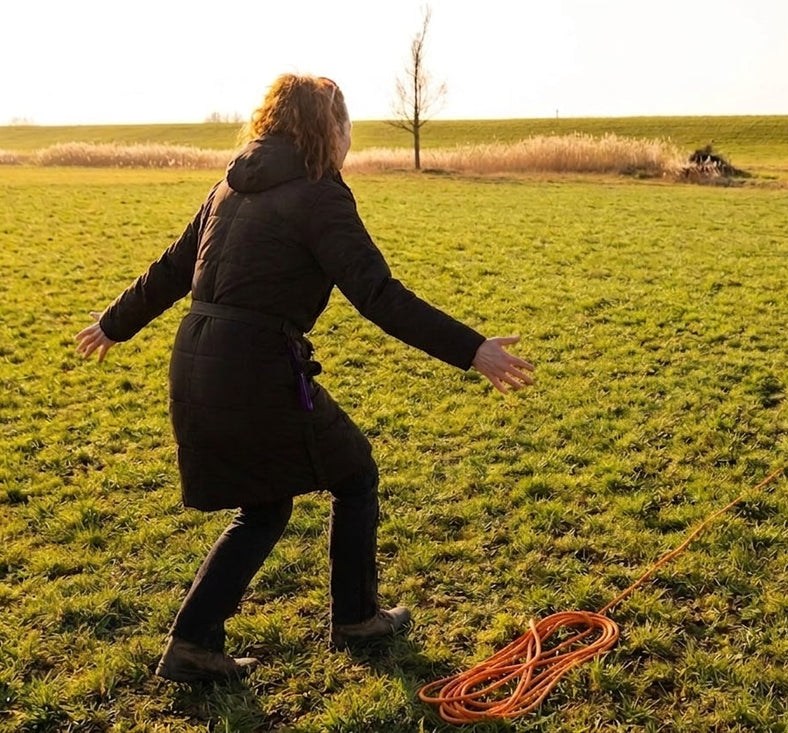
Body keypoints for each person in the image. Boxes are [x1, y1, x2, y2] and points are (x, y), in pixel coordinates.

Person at [74, 73, 534, 683]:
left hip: (198, 355)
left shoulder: (230, 187)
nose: (349, 141)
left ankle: (193, 644)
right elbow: (378, 294)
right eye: (346, 128)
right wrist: (472, 349)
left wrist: (114, 323)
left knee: (264, 508)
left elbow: (172, 269)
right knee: (354, 473)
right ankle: (356, 619)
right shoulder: (320, 193)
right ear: (328, 128)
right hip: (256, 364)